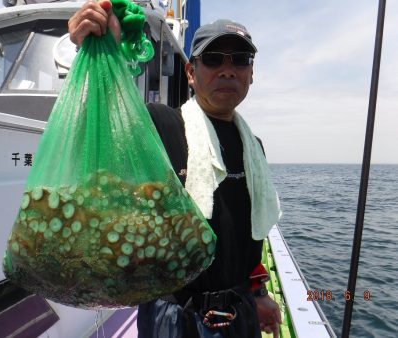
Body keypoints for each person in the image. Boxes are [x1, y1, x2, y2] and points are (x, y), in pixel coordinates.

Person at [69, 1, 282, 337]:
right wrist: (99, 51)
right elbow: (105, 119)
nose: (228, 69)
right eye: (213, 59)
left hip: (240, 312)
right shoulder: (159, 124)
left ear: (251, 73)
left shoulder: (254, 146)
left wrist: (259, 294)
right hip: (173, 316)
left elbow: (248, 235)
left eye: (240, 60)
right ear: (190, 73)